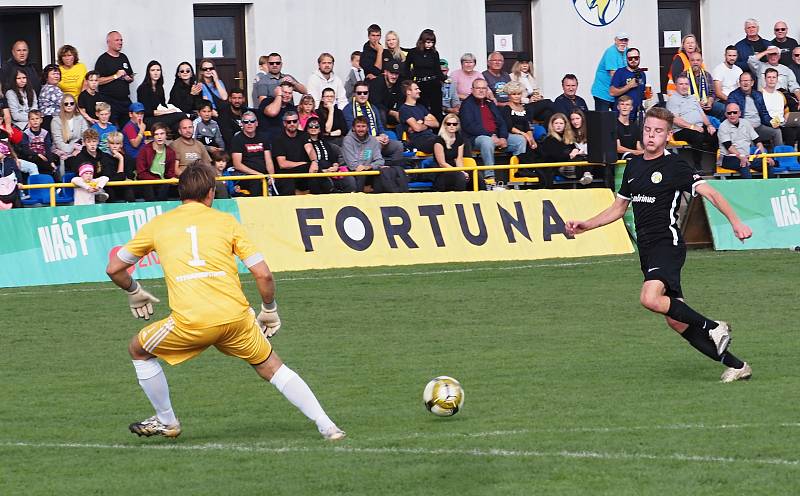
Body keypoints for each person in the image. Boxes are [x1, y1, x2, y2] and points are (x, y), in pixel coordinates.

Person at [105, 163, 345, 440]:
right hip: (236, 318)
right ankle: (328, 426)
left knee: (138, 350)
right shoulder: (227, 222)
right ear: (210, 193)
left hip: (191, 321)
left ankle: (167, 421)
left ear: (180, 192)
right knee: (273, 367)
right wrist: (269, 310)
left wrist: (134, 290)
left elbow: (113, 268)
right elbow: (263, 274)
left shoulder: (158, 224)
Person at [566, 106, 753, 384]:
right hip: (648, 250)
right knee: (676, 319)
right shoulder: (633, 165)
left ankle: (715, 326)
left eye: (658, 131)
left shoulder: (675, 166)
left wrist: (736, 221)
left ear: (667, 136)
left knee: (649, 298)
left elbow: (710, 193)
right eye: (648, 130)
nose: (651, 135)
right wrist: (586, 225)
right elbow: (618, 208)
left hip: (668, 244)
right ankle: (738, 366)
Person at [459, 78, 526, 181]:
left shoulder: (490, 103)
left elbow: (501, 122)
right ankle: (490, 175)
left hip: (496, 136)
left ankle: (517, 173)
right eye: (478, 88)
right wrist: (491, 135)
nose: (481, 90)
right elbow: (469, 126)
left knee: (520, 140)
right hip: (476, 138)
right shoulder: (466, 105)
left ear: (487, 90)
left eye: (484, 88)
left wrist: (503, 137)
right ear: (472, 90)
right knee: (487, 141)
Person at [342, 81, 405, 165]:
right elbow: (352, 130)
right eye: (359, 93)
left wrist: (383, 135)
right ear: (354, 94)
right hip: (360, 144)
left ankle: (394, 172)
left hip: (377, 140)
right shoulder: (348, 109)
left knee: (398, 146)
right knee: (375, 145)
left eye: (365, 93)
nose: (362, 95)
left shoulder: (373, 108)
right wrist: (373, 139)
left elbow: (379, 126)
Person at [271, 110, 331, 196]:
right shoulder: (278, 139)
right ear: (284, 123)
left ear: (298, 122)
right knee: (289, 181)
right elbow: (282, 164)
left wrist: (314, 161)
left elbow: (310, 149)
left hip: (302, 172)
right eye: (289, 122)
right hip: (285, 174)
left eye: (294, 121)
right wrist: (304, 164)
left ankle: (322, 197)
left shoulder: (304, 135)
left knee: (315, 171)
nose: (292, 124)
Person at [666, 75, 718, 166]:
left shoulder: (693, 98)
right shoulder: (672, 99)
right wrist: (693, 127)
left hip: (699, 127)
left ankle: (716, 164)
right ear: (676, 86)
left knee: (716, 134)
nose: (684, 86)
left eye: (686, 84)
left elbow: (702, 114)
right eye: (681, 84)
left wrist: (709, 125)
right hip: (681, 130)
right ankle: (697, 165)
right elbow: (675, 119)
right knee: (697, 136)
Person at [717, 102, 775, 178]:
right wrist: (741, 157)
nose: (732, 115)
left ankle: (769, 188)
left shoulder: (745, 123)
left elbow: (757, 141)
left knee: (767, 163)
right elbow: (729, 147)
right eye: (729, 113)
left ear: (739, 113)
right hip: (728, 157)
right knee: (744, 165)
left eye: (735, 112)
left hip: (746, 156)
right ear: (726, 114)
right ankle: (749, 189)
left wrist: (765, 156)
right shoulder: (723, 126)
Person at [728, 71, 783, 147]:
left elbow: (764, 114)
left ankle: (779, 157)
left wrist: (773, 123)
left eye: (748, 81)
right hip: (744, 129)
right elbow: (733, 115)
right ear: (739, 83)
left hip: (759, 127)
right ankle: (755, 158)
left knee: (777, 132)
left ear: (752, 83)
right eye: (743, 81)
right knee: (748, 139)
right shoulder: (733, 95)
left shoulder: (758, 95)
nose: (745, 83)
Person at [305, 116, 355, 193]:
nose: (313, 128)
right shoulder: (304, 143)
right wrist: (323, 171)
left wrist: (335, 166)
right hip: (317, 172)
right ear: (307, 129)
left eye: (316, 126)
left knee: (350, 180)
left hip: (331, 170)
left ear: (320, 129)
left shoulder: (325, 142)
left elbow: (333, 158)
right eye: (311, 126)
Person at [230, 110, 274, 197]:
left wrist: (271, 176)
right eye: (246, 122)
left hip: (263, 175)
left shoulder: (263, 137)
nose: (249, 124)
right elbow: (237, 164)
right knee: (256, 183)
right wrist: (258, 175)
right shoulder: (237, 139)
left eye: (252, 121)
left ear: (256, 123)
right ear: (242, 124)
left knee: (285, 182)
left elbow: (268, 161)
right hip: (247, 176)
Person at [94, 31, 134, 126]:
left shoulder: (124, 57)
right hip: (110, 102)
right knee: (112, 131)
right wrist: (115, 76)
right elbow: (97, 81)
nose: (120, 42)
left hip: (125, 101)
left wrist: (129, 78)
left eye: (121, 40)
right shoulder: (103, 60)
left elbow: (131, 75)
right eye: (117, 40)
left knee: (128, 129)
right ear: (109, 42)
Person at [540, 113, 589, 187]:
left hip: (573, 163)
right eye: (556, 123)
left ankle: (587, 175)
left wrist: (576, 150)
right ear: (552, 125)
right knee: (581, 160)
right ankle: (586, 174)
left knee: (588, 158)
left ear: (565, 125)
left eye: (561, 123)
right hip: (559, 167)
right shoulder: (549, 139)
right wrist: (570, 155)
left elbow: (574, 149)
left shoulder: (568, 138)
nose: (558, 125)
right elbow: (556, 156)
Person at [406, 29, 444, 124]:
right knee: (422, 109)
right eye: (428, 42)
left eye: (432, 42)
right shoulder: (413, 52)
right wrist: (409, 83)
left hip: (433, 84)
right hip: (420, 84)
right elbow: (406, 68)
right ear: (422, 41)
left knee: (436, 110)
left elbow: (437, 70)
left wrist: (444, 79)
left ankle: (437, 133)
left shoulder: (434, 53)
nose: (430, 45)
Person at [136, 60, 184, 130]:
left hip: (160, 117)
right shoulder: (143, 88)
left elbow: (163, 105)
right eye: (153, 70)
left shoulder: (160, 87)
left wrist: (169, 111)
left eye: (158, 70)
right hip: (149, 120)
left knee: (177, 126)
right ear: (148, 72)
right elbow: (146, 112)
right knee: (182, 115)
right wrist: (167, 112)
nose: (156, 73)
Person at [135, 122, 177, 202]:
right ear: (153, 136)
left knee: (167, 186)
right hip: (148, 182)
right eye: (156, 134)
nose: (159, 137)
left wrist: (173, 179)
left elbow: (170, 173)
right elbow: (141, 173)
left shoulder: (170, 152)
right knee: (149, 187)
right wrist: (157, 180)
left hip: (163, 183)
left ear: (166, 135)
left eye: (162, 134)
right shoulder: (145, 150)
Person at [760, 68, 799, 148]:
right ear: (765, 79)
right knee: (789, 133)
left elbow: (786, 111)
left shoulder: (781, 94)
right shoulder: (760, 94)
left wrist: (788, 118)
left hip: (783, 123)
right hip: (769, 124)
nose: (771, 80)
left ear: (777, 79)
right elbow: (760, 113)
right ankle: (785, 158)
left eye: (774, 77)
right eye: (769, 77)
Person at [399, 80, 439, 154]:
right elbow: (417, 128)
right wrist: (427, 124)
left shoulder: (421, 107)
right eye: (416, 89)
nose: (419, 91)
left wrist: (422, 122)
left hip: (431, 136)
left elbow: (436, 123)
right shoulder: (404, 109)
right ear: (408, 92)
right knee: (439, 143)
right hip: (419, 141)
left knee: (449, 140)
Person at [591, 33, 628, 111]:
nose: (623, 42)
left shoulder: (627, 51)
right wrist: (628, 86)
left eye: (626, 40)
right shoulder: (611, 51)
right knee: (603, 120)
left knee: (617, 120)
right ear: (615, 40)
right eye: (621, 40)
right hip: (603, 93)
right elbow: (613, 75)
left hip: (616, 93)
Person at [432, 114, 469, 192]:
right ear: (445, 125)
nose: (451, 126)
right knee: (460, 177)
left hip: (455, 169)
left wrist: (462, 171)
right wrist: (459, 172)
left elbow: (459, 159)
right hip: (443, 171)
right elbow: (442, 163)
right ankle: (459, 201)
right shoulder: (439, 141)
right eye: (449, 124)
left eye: (454, 124)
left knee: (476, 175)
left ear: (457, 126)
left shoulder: (459, 139)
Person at [19, 109, 59, 179]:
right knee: (38, 160)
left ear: (41, 120)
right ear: (29, 121)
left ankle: (55, 182)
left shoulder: (45, 133)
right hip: (32, 155)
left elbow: (47, 148)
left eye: (37, 118)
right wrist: (38, 154)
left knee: (55, 157)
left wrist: (51, 161)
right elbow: (25, 150)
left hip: (43, 154)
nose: (35, 121)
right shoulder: (26, 133)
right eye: (32, 119)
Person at [683, 51, 723, 119]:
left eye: (698, 60)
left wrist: (709, 102)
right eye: (692, 60)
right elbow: (682, 95)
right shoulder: (683, 76)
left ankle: (718, 128)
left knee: (723, 109)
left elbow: (712, 93)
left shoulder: (707, 75)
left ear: (701, 62)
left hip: (706, 104)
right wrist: (696, 104)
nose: (695, 62)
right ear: (689, 61)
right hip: (690, 106)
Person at [51, 94, 88, 166]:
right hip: (61, 150)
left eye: (72, 103)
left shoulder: (80, 118)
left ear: (75, 105)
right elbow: (58, 142)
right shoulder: (56, 120)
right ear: (62, 105)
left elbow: (85, 136)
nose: (69, 105)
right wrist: (71, 149)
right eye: (66, 104)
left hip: (78, 149)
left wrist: (78, 150)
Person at [610, 47, 646, 119]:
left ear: (639, 58)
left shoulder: (642, 74)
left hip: (637, 114)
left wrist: (647, 95)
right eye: (630, 58)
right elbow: (612, 92)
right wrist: (629, 86)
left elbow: (640, 93)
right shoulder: (620, 72)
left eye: (636, 58)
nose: (633, 60)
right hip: (622, 115)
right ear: (626, 59)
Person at [368, 61, 404, 126]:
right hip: (376, 112)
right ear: (385, 72)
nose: (394, 76)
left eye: (396, 74)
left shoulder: (399, 83)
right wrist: (392, 112)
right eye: (391, 73)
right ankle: (383, 133)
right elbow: (376, 104)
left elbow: (400, 100)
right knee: (381, 113)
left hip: (391, 112)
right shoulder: (376, 83)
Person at [38, 64, 63, 130]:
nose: (56, 76)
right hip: (52, 120)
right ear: (46, 76)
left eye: (58, 74)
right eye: (53, 74)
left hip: (46, 120)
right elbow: (64, 104)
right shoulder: (52, 89)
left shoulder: (44, 87)